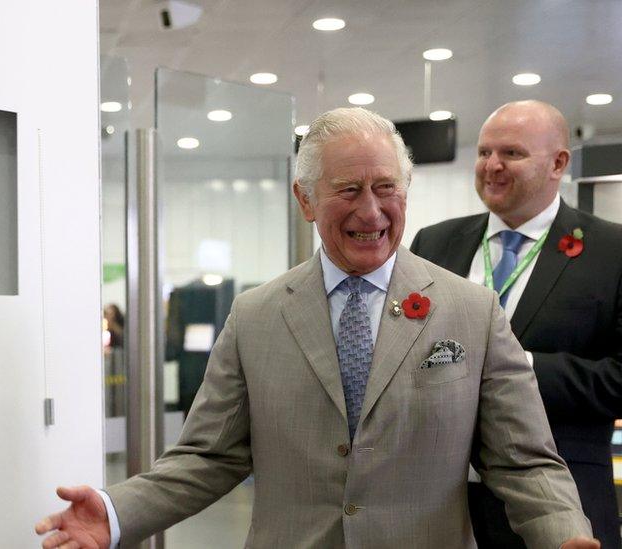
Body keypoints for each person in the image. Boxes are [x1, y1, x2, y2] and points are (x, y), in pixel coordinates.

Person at [37, 107, 597, 548]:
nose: (372, 212)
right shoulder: (256, 315)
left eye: (386, 188)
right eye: (348, 190)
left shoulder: (471, 312)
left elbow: (522, 459)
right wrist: (114, 513)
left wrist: (565, 533)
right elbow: (208, 456)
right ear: (306, 199)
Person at [411, 100, 622, 549]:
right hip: (438, 506)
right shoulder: (434, 243)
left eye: (512, 153)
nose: (492, 166)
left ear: (558, 163)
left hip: (562, 505)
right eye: (484, 152)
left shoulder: (612, 252)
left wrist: (518, 364)